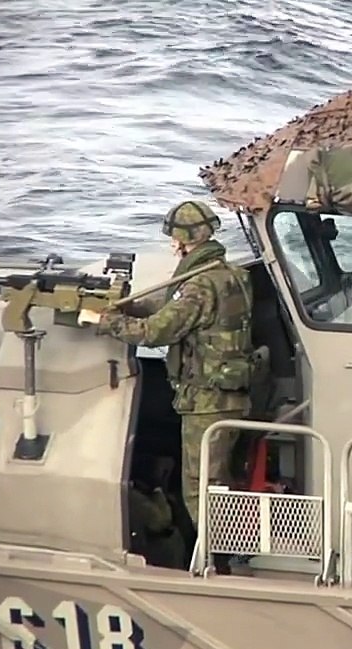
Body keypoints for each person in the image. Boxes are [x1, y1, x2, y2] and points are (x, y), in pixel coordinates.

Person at [78, 199, 256, 541]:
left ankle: (216, 558)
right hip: (230, 395)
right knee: (221, 480)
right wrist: (131, 307)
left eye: (174, 239)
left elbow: (154, 333)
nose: (172, 245)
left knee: (201, 487)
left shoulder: (200, 285)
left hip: (207, 401)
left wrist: (106, 321)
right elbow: (172, 306)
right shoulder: (230, 275)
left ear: (183, 240)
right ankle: (227, 546)